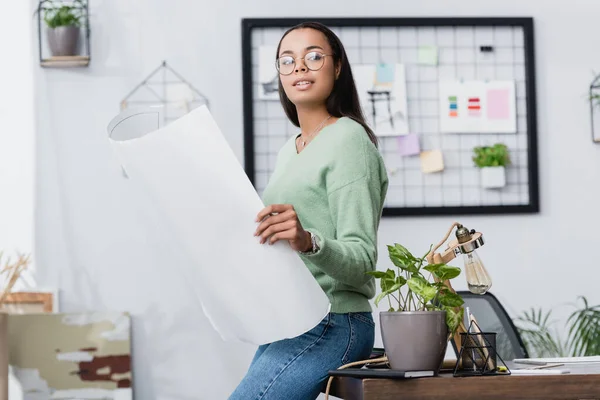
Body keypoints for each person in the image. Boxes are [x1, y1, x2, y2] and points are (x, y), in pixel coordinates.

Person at [229, 21, 389, 400]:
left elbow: (363, 259)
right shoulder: (291, 148)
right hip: (292, 316)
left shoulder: (349, 139)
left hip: (334, 321)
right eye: (287, 60)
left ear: (337, 68)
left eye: (313, 57)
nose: (298, 67)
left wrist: (307, 240)